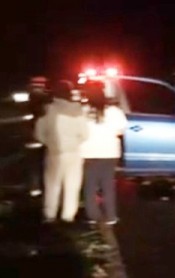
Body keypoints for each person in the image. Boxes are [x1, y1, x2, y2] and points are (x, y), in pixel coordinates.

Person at [34, 80, 89, 223]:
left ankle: (50, 214)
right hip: (74, 153)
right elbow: (85, 134)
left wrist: (49, 143)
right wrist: (75, 143)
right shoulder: (78, 110)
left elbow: (39, 134)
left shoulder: (47, 110)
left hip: (54, 152)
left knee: (52, 184)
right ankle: (68, 216)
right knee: (72, 185)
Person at [81, 81, 127, 225]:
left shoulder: (82, 110)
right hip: (109, 152)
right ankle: (111, 216)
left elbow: (78, 132)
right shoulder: (114, 111)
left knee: (90, 186)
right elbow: (122, 130)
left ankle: (93, 215)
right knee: (108, 185)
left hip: (88, 152)